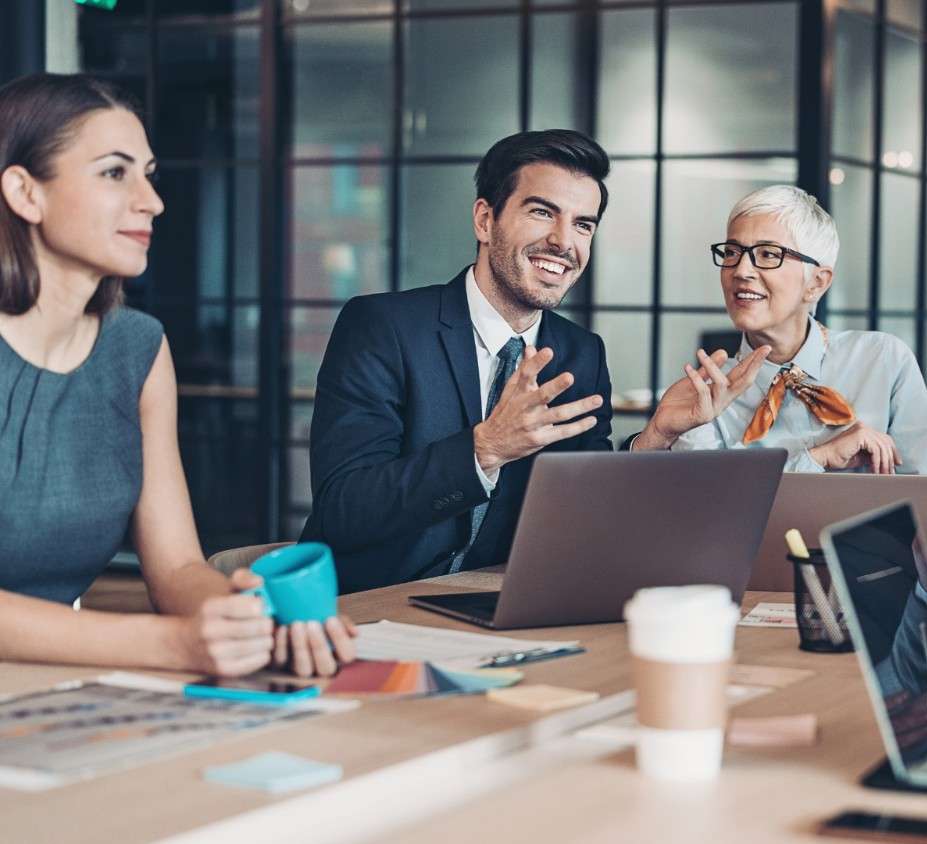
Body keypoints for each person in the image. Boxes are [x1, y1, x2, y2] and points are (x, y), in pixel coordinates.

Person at [0, 73, 352, 678]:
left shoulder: (137, 348)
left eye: (148, 173)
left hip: (48, 688)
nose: (151, 201)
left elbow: (177, 570)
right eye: (115, 173)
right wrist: (169, 645)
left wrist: (253, 617)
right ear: (25, 192)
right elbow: (166, 635)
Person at [628, 185, 927, 582]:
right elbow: (719, 524)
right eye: (733, 252)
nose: (741, 270)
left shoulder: (881, 359)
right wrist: (822, 458)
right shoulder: (704, 393)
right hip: (750, 596)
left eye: (768, 255)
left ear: (817, 282)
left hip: (876, 585)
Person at [302, 130, 614, 593]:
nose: (563, 241)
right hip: (367, 609)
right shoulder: (384, 327)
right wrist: (485, 448)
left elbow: (582, 512)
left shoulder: (580, 352)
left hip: (498, 609)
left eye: (583, 224)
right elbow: (344, 509)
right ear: (485, 221)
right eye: (542, 212)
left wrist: (656, 438)